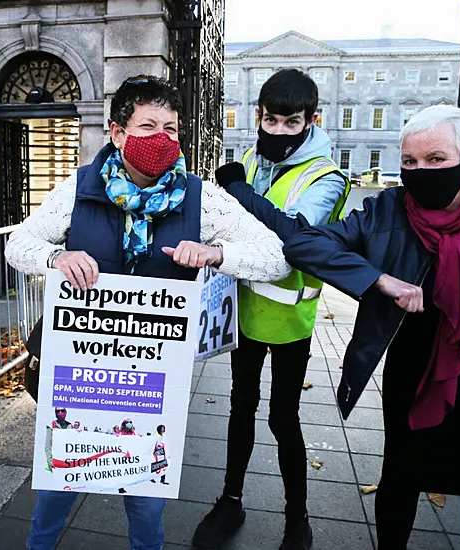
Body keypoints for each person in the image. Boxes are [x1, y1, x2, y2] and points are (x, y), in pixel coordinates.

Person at [231, 105, 460, 549]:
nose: (420, 172)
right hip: (414, 376)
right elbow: (305, 241)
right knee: (401, 480)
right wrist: (378, 279)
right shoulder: (387, 210)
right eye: (409, 162)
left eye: (435, 160)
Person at [5, 74, 291, 550]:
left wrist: (217, 254)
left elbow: (275, 256)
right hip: (78, 372)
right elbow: (19, 243)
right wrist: (54, 258)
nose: (161, 139)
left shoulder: (203, 200)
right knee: (57, 490)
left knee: (145, 503)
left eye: (172, 128)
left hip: (151, 382)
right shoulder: (77, 190)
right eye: (147, 126)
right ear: (117, 133)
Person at [192, 68, 349, 550]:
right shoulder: (250, 160)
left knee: (284, 418)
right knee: (241, 407)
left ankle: (296, 518)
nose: (278, 131)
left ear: (311, 120)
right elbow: (228, 225)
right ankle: (231, 499)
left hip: (289, 321)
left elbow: (293, 237)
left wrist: (239, 192)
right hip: (244, 312)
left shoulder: (328, 177)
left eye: (291, 122)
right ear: (259, 116)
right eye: (271, 120)